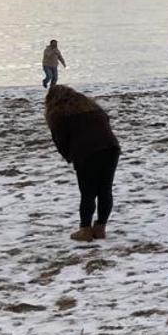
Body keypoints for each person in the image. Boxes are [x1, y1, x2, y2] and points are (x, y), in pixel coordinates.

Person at [44, 85, 121, 242]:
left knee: (88, 193)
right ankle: (100, 228)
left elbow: (60, 141)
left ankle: (85, 229)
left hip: (86, 152)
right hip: (111, 148)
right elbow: (106, 122)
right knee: (105, 190)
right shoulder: (92, 106)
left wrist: (71, 157)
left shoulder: (58, 114)